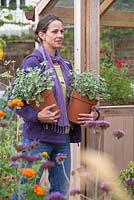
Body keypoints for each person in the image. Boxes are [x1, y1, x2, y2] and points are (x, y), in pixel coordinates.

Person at [10, 13, 100, 199]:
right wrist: (36, 116)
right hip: (38, 139)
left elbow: (77, 98)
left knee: (60, 192)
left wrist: (93, 113)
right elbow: (13, 99)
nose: (60, 35)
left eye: (62, 31)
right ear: (41, 35)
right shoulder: (33, 62)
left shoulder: (65, 65)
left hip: (62, 140)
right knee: (26, 191)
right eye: (54, 31)